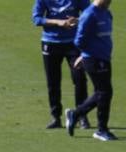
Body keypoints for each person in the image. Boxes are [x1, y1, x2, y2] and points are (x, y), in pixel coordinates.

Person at [33, 0, 90, 129]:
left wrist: (77, 20)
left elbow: (90, 13)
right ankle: (55, 117)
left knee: (80, 78)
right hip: (50, 43)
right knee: (53, 82)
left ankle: (81, 115)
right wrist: (58, 22)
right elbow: (37, 19)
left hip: (74, 44)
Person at [66, 0, 116, 141]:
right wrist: (86, 55)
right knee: (104, 92)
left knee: (103, 92)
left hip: (104, 58)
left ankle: (75, 114)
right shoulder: (89, 14)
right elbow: (79, 40)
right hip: (94, 59)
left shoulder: (107, 13)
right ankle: (101, 130)